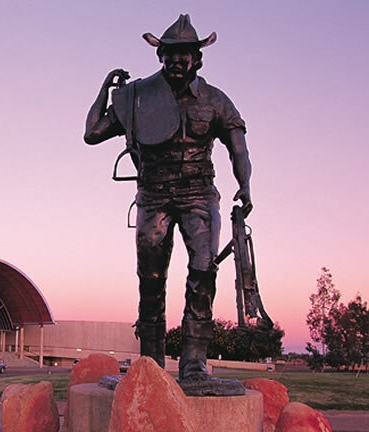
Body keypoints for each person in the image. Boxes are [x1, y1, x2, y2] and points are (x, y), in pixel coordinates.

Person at [83, 14, 251, 396]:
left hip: (199, 193)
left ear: (197, 58)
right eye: (170, 53)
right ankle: (151, 364)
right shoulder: (138, 96)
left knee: (203, 271)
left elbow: (238, 148)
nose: (177, 59)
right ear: (160, 56)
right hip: (154, 194)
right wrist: (105, 91)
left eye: (185, 53)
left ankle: (193, 365)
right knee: (151, 280)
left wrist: (246, 186)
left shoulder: (216, 100)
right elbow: (92, 134)